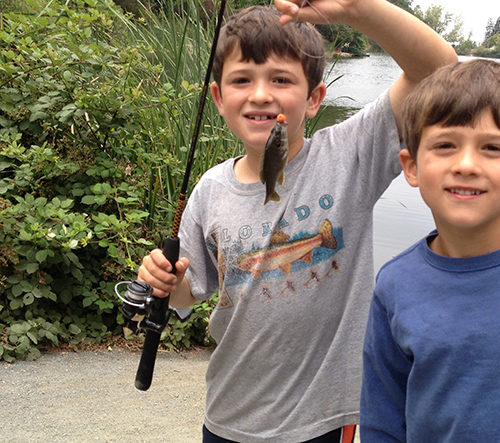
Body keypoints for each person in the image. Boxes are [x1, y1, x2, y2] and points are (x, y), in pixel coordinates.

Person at [137, 0, 457, 441]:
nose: (262, 93)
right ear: (218, 98)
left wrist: (356, 9)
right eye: (242, 80)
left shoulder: (350, 155)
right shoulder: (210, 190)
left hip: (322, 419)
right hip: (229, 414)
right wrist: (168, 285)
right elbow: (188, 295)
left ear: (314, 99)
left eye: (282, 79)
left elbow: (439, 69)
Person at [360, 58, 500, 441]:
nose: (466, 164)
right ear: (411, 167)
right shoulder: (396, 284)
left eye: (492, 148)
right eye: (445, 145)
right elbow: (382, 417)